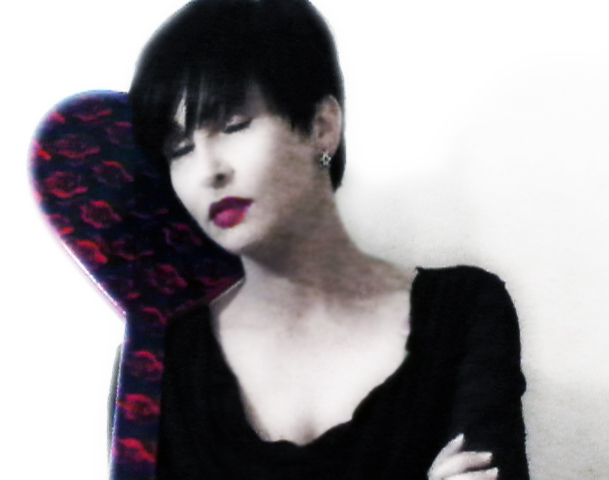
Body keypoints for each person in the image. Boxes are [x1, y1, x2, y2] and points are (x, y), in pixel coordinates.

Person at [127, 0, 529, 478]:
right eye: (180, 149)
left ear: (322, 127)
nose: (208, 170)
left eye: (234, 125)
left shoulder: (463, 311)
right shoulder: (160, 360)